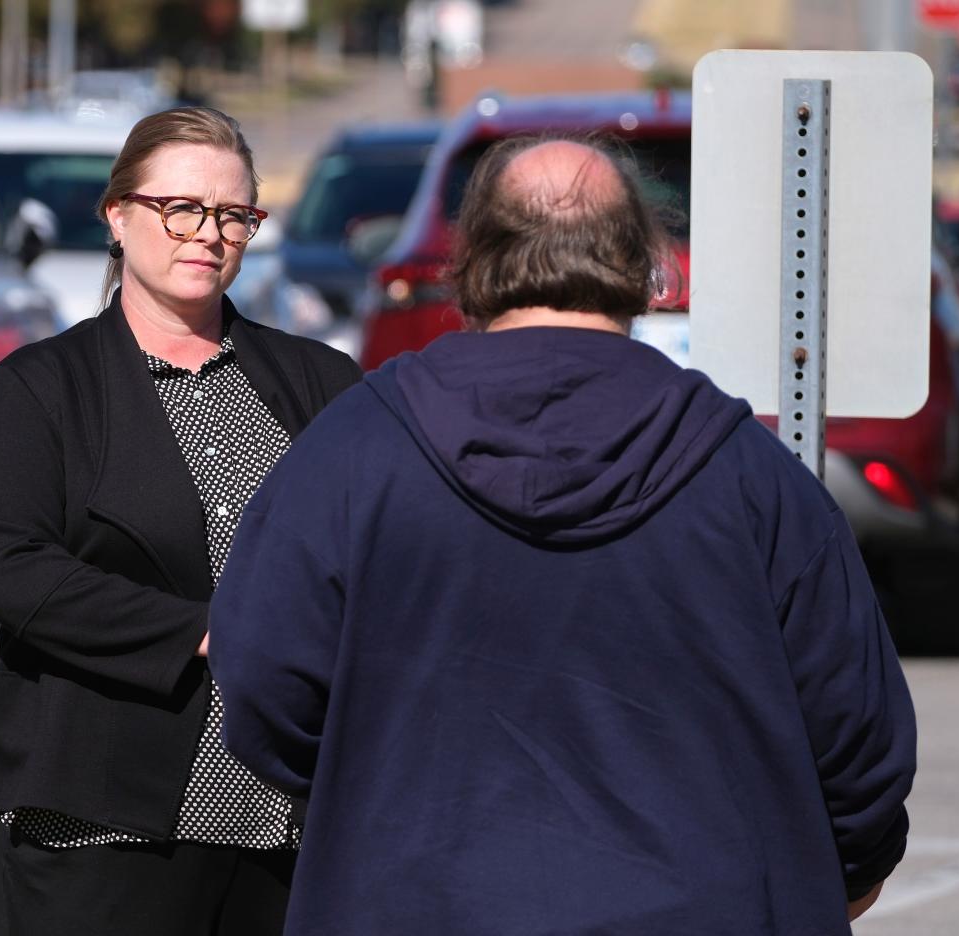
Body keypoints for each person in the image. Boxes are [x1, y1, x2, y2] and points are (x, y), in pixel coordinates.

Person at [208, 133, 917, 935]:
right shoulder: (749, 472)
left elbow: (263, 677)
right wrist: (826, 874)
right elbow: (857, 737)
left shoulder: (355, 450)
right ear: (646, 261)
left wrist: (374, 799)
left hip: (413, 896)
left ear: (471, 256)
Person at [0, 106, 361, 935]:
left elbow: (380, 556)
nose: (207, 234)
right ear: (118, 214)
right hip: (93, 821)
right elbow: (11, 567)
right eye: (181, 208)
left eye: (233, 215)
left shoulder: (322, 384)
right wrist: (208, 632)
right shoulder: (42, 388)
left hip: (284, 826)